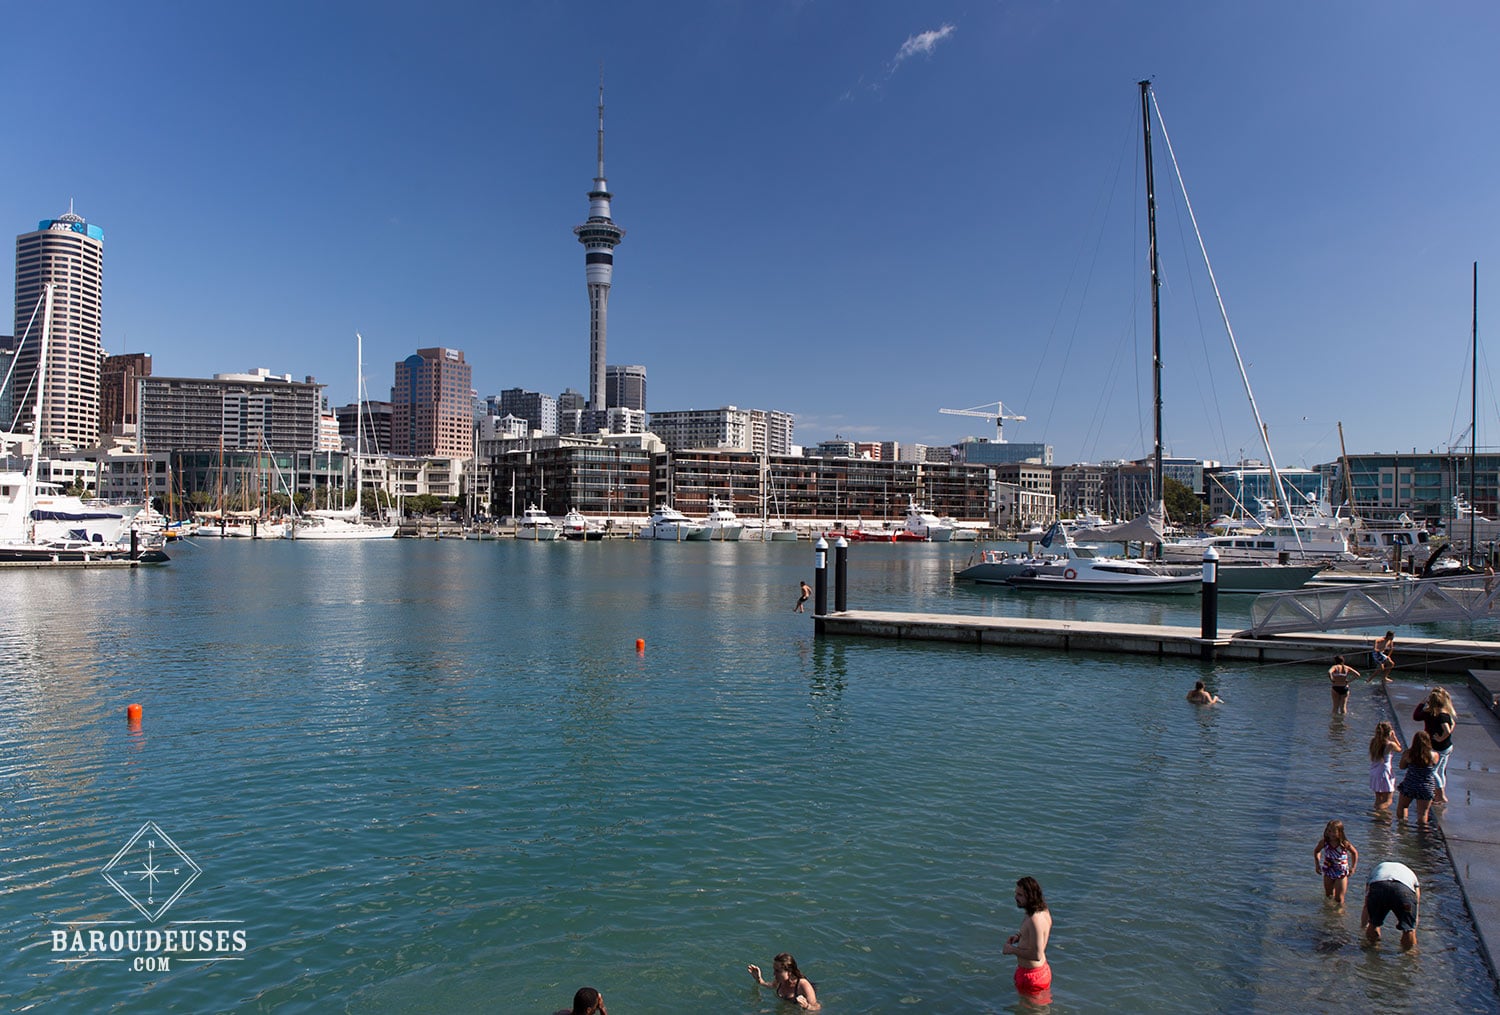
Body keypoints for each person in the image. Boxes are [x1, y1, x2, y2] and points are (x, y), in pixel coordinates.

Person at [1003, 876, 1052, 997]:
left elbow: (1036, 955)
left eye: (1020, 895)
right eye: (1016, 893)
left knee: (1029, 1007)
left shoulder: (1035, 920)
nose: (1016, 897)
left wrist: (1012, 950)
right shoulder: (1042, 910)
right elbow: (1036, 933)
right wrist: (1019, 936)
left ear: (1030, 896)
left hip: (1032, 977)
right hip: (1038, 972)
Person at [1361, 860, 1420, 951]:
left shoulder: (1375, 872)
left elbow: (1366, 905)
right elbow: (1416, 904)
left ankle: (1373, 948)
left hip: (1379, 887)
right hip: (1403, 892)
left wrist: (1363, 927)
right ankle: (1409, 953)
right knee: (1408, 930)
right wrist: (1411, 926)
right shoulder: (1412, 875)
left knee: (1374, 924)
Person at [1413, 687, 1457, 805]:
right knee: (1440, 771)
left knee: (1431, 771)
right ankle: (1438, 794)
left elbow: (1416, 716)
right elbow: (1452, 725)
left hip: (1439, 747)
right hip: (1447, 747)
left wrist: (1421, 704)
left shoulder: (1434, 714)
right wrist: (1445, 736)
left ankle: (1441, 795)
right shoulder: (1446, 713)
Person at [1312, 819, 1359, 908]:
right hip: (1328, 871)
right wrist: (1317, 864)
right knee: (1329, 896)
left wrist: (1353, 867)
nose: (1331, 834)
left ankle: (1339, 913)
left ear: (1340, 832)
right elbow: (1317, 851)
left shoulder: (1344, 843)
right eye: (1329, 831)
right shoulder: (1324, 842)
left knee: (1339, 899)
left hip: (1341, 872)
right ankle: (1329, 912)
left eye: (1334, 832)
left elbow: (1354, 853)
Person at [748, 952, 820, 1010]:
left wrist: (807, 1006)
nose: (774, 974)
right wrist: (759, 980)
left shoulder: (803, 985)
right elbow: (772, 986)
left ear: (789, 972)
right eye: (774, 970)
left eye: (778, 971)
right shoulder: (779, 980)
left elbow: (817, 1007)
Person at [1396, 729, 1439, 825]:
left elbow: (1402, 767)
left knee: (1403, 806)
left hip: (1410, 784)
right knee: (1423, 813)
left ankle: (1402, 827)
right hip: (1426, 786)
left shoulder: (1408, 754)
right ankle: (1421, 832)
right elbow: (1434, 765)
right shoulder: (1434, 755)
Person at [1368, 721, 1404, 812]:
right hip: (1385, 773)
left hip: (1374, 772)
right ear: (1389, 732)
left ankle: (1378, 815)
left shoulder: (1373, 742)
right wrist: (1394, 737)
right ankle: (1377, 813)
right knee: (1388, 800)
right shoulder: (1390, 745)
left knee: (1378, 799)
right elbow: (1400, 749)